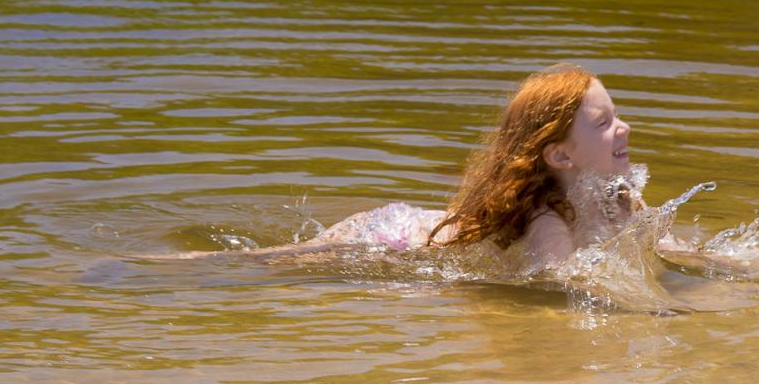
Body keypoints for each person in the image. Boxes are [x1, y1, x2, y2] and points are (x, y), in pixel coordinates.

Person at [164, 63, 691, 273]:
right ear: (560, 155)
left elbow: (668, 245)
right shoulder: (546, 220)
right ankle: (175, 263)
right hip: (391, 235)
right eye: (604, 122)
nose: (623, 128)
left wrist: (742, 271)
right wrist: (635, 308)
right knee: (277, 263)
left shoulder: (621, 196)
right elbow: (555, 285)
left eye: (616, 115)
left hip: (424, 224)